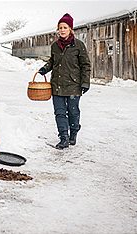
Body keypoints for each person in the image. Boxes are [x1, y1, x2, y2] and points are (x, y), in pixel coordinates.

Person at [38, 13, 91, 149]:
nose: (62, 30)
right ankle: (64, 138)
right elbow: (53, 61)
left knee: (73, 112)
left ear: (70, 29)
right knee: (60, 112)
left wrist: (85, 82)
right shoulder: (55, 46)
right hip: (57, 84)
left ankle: (73, 132)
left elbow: (85, 65)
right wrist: (45, 68)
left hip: (74, 85)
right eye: (60, 27)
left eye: (65, 27)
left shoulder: (79, 45)